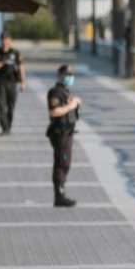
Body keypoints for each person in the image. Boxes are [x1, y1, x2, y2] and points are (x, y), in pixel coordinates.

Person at [46, 65, 82, 207]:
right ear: (60, 75)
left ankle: (61, 193)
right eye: (67, 75)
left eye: (72, 75)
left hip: (67, 132)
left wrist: (76, 104)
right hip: (60, 132)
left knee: (64, 163)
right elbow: (54, 112)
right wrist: (72, 105)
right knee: (62, 163)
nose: (70, 77)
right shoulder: (55, 92)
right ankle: (59, 196)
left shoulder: (65, 92)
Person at [0, 32, 26, 135]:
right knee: (1, 105)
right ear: (1, 40)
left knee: (11, 106)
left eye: (7, 39)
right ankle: (4, 128)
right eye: (3, 39)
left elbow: (21, 67)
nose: (5, 42)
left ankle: (8, 126)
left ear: (10, 40)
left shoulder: (15, 53)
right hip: (0, 83)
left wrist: (23, 82)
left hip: (12, 83)